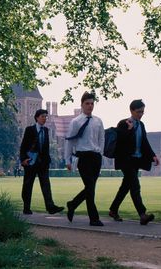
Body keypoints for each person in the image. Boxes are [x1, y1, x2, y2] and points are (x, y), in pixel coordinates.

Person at [108, 99, 160, 225]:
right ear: (131, 110)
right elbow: (121, 141)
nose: (141, 114)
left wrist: (153, 155)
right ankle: (142, 214)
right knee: (135, 186)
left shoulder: (141, 125)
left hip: (136, 160)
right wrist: (130, 129)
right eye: (138, 112)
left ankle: (113, 210)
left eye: (142, 112)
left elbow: (144, 142)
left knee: (126, 187)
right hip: (126, 161)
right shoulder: (123, 123)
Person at [64, 92, 105, 226]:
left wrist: (100, 155)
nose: (90, 106)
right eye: (87, 103)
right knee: (90, 187)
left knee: (90, 188)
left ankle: (72, 204)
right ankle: (94, 218)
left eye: (92, 103)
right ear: (82, 104)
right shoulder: (75, 122)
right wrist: (67, 160)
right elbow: (69, 142)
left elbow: (101, 140)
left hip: (95, 157)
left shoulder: (98, 121)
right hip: (83, 157)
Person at [19, 109, 64, 215]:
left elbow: (46, 148)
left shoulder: (46, 130)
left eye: (46, 117)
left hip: (43, 163)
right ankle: (26, 208)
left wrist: (48, 160)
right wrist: (23, 159)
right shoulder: (29, 129)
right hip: (31, 161)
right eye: (43, 116)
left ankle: (50, 207)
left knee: (46, 185)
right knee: (27, 185)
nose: (45, 118)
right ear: (37, 117)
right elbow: (23, 146)